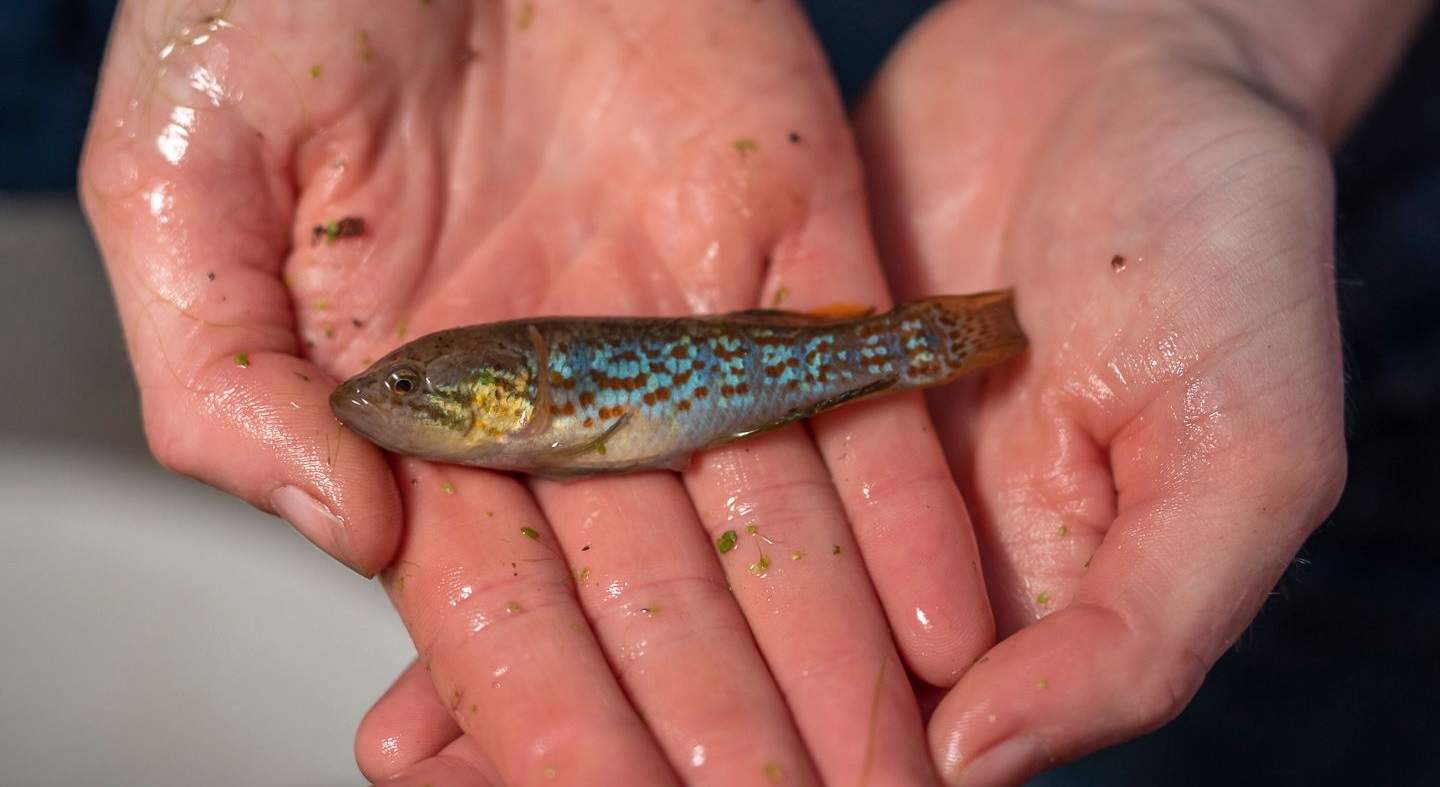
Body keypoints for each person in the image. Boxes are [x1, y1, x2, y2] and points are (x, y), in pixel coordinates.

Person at [79, 1, 1427, 784]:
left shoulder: (551, 409)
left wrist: (1221, 19)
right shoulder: (515, 403)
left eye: (430, 389)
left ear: (507, 394)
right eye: (421, 389)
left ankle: (943, 336)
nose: (395, 397)